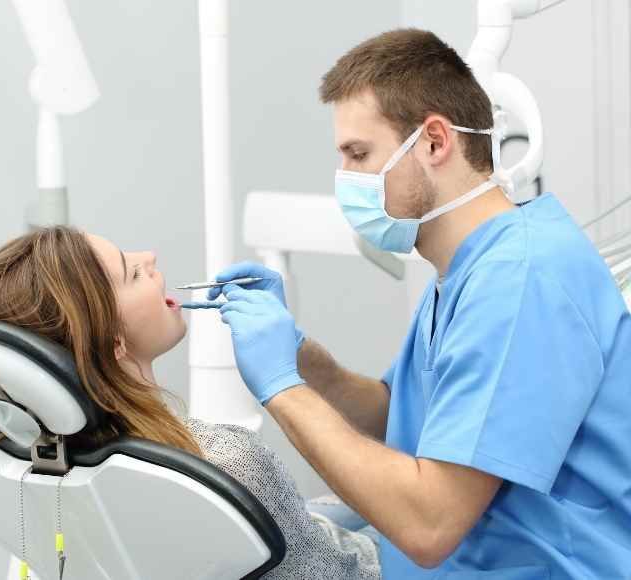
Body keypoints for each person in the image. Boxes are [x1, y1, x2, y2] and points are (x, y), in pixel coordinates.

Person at [211, 29, 631, 579]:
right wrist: (302, 359)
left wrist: (282, 389)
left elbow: (430, 524)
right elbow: (407, 417)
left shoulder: (520, 279)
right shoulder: (465, 270)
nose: (346, 181)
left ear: (434, 141)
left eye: (359, 155)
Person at [0, 226, 382, 579]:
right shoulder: (226, 464)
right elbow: (350, 571)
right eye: (132, 273)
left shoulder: (45, 468)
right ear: (113, 342)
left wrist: (297, 350)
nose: (149, 256)